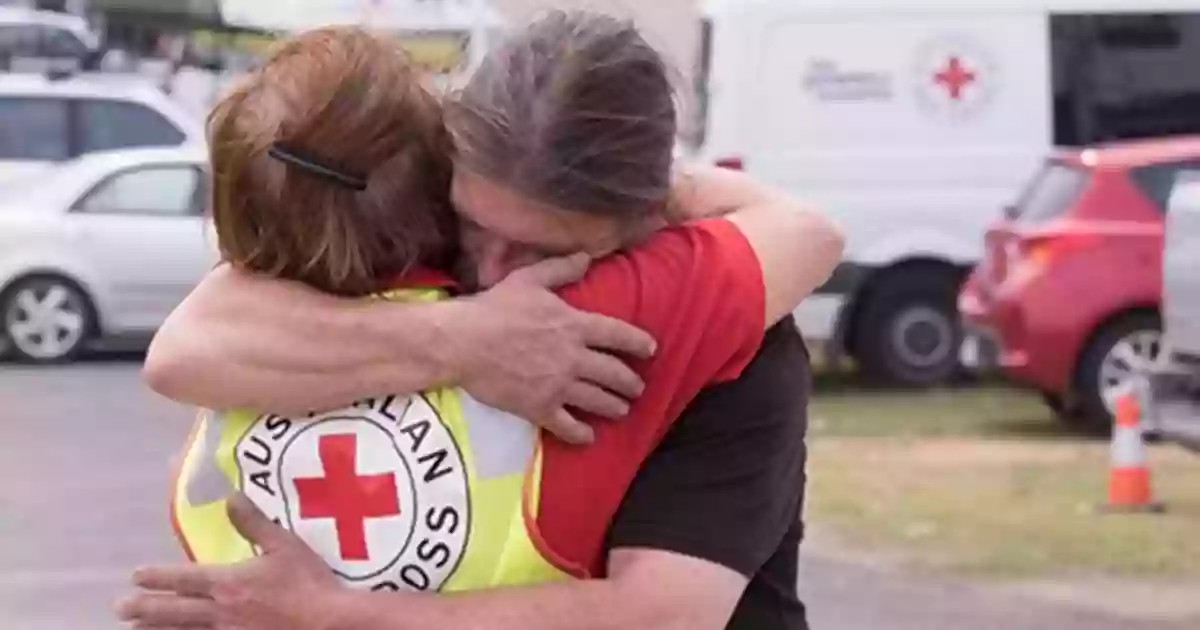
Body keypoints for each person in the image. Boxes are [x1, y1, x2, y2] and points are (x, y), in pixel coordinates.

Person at [118, 11, 838, 630]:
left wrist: (338, 615)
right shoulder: (402, 258)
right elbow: (185, 346)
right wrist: (462, 340)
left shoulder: (730, 338)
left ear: (649, 218)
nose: (491, 274)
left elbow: (668, 613)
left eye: (541, 250)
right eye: (471, 225)